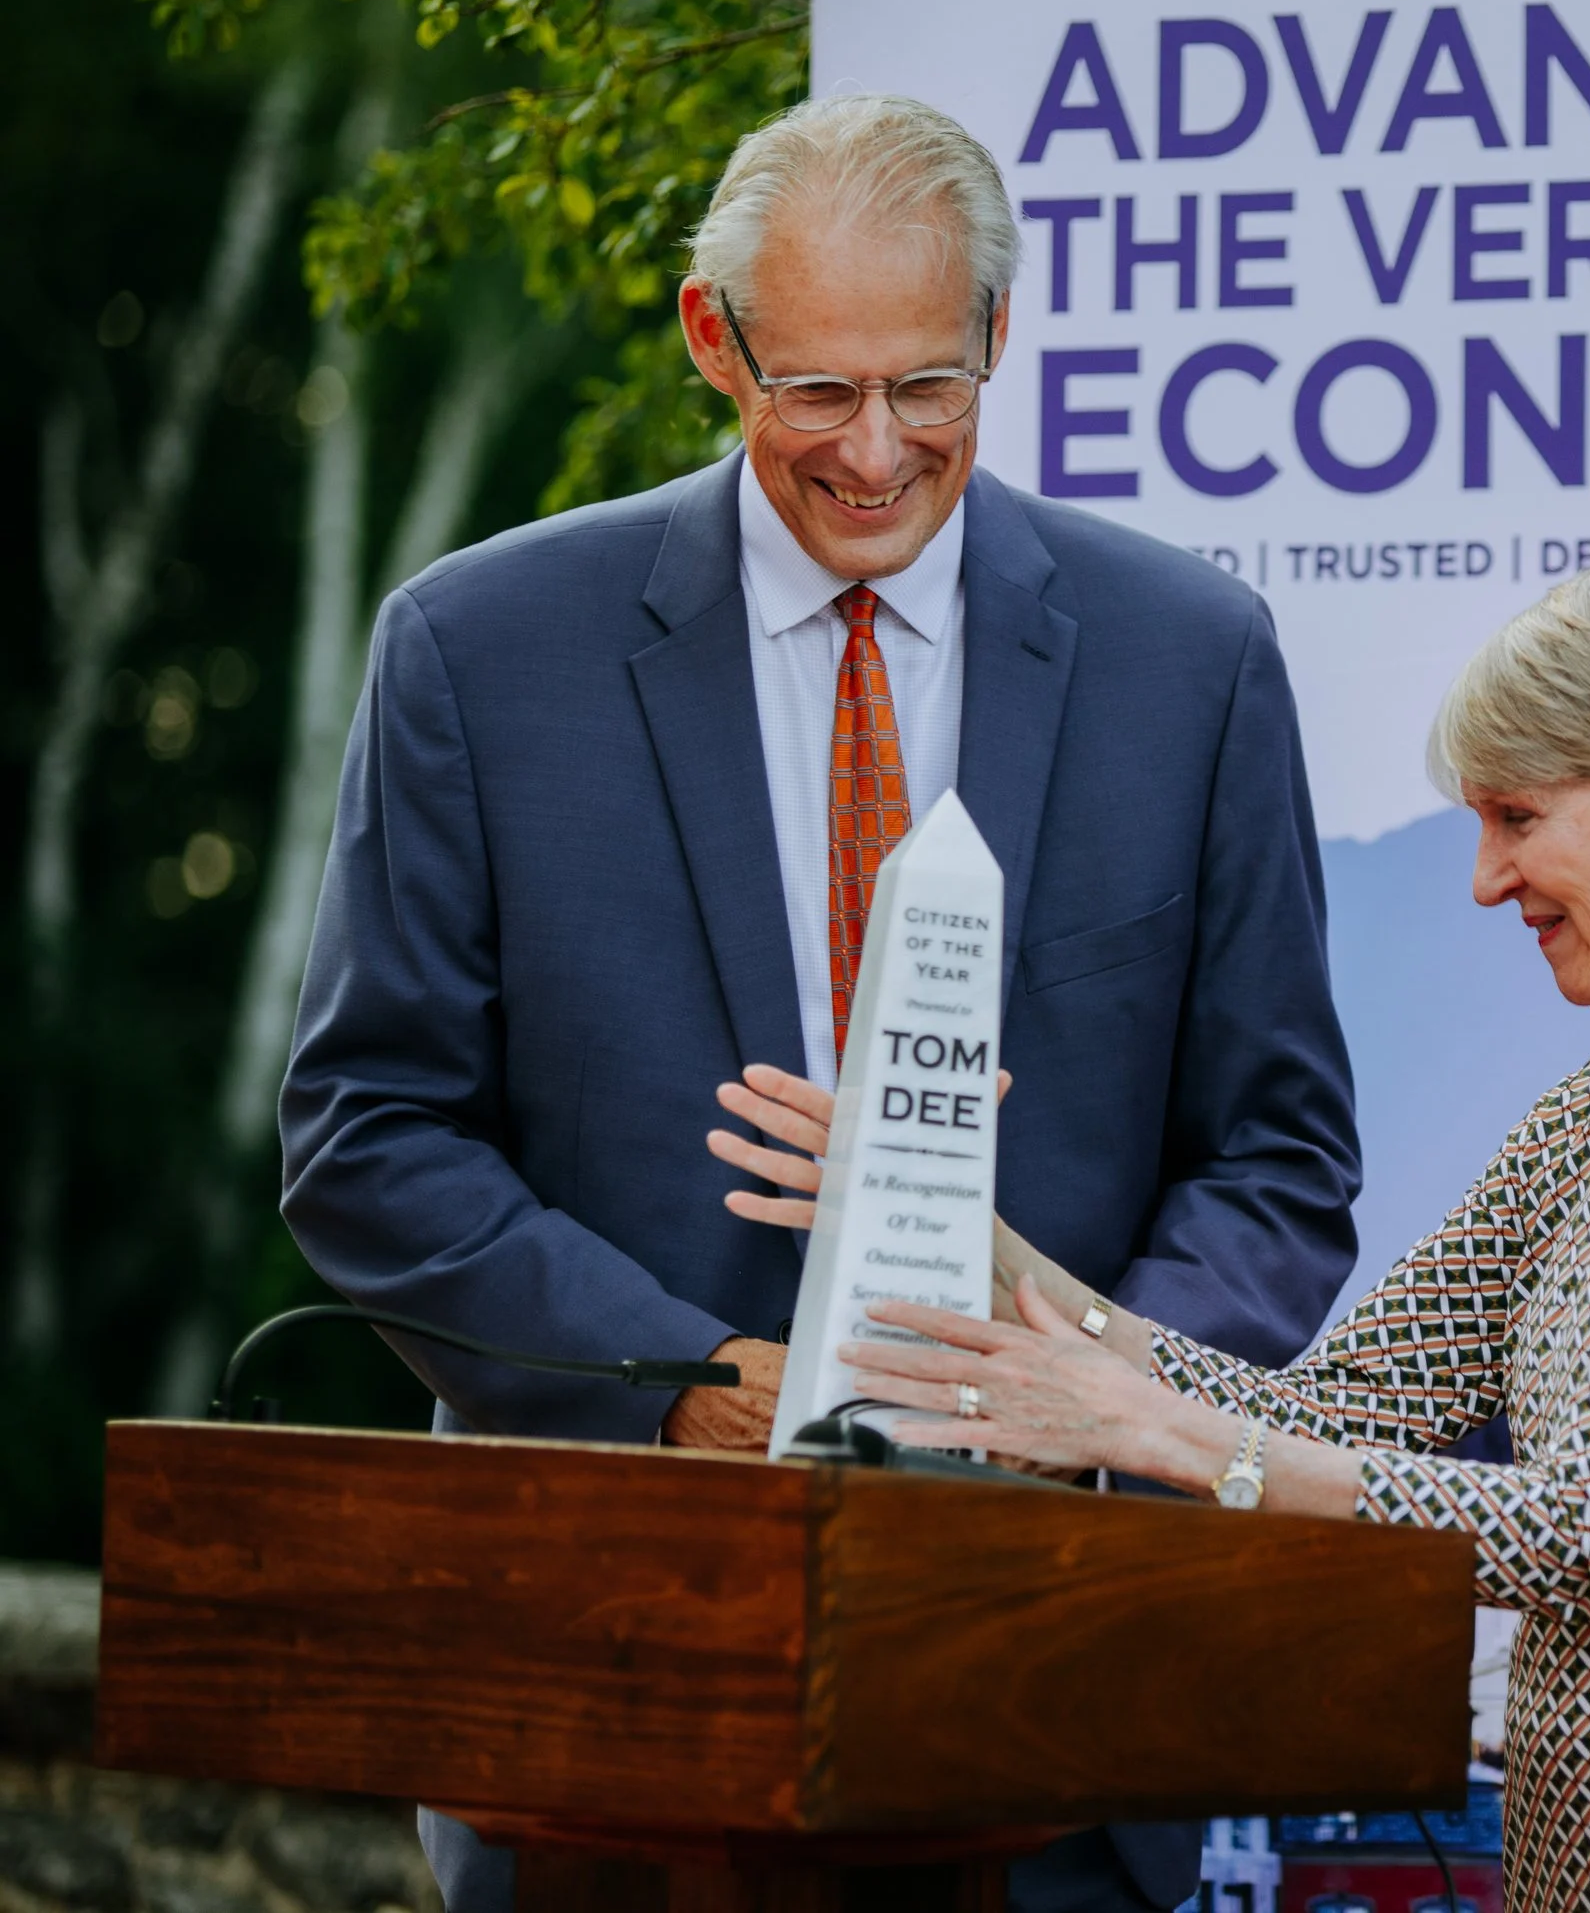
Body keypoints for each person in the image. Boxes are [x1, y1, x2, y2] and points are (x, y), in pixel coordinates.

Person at [277, 94, 1359, 1913]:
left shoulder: (1196, 662)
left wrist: (1082, 1397)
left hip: (1058, 1727)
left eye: (928, 388)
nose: (876, 454)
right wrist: (683, 1384)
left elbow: (1278, 1156)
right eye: (818, 394)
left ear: (1000, 340)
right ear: (715, 343)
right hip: (599, 1719)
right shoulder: (474, 653)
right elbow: (370, 1140)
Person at [723, 538, 1590, 1912]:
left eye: (1518, 818)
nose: (1483, 880)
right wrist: (979, 1239)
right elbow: (1335, 1416)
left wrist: (1143, 1429)